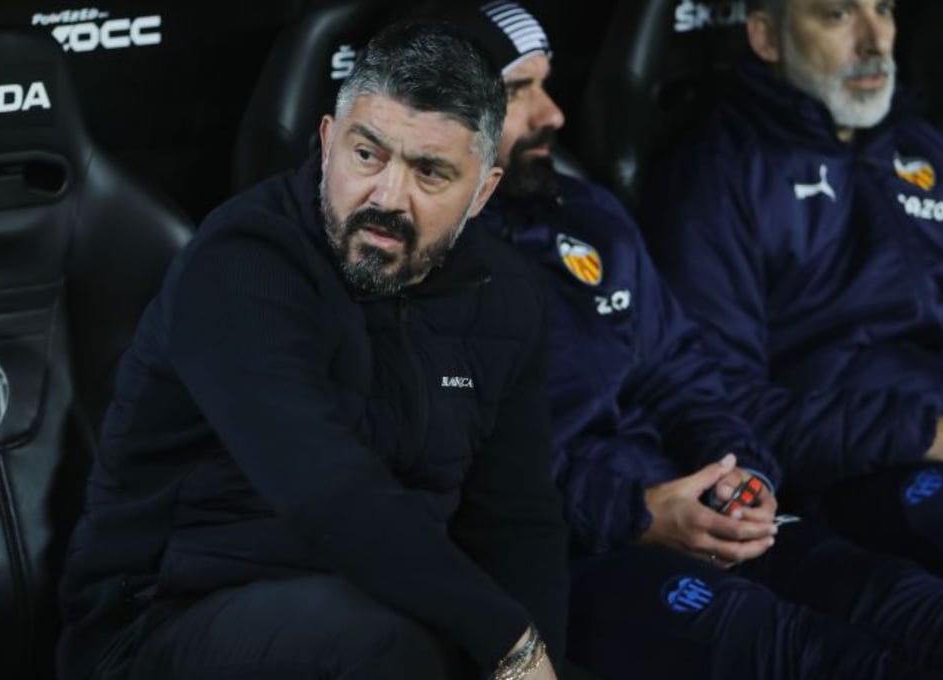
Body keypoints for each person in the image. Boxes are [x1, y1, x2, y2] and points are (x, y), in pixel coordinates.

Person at [443, 2, 943, 678]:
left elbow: (685, 377)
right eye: (519, 92)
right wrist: (636, 513)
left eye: (885, 7)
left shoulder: (587, 213)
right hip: (594, 548)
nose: (554, 114)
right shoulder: (424, 263)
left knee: (933, 616)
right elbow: (470, 467)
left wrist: (743, 475)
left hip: (712, 503)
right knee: (818, 656)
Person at [56, 22, 568, 680]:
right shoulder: (242, 263)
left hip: (389, 607)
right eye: (367, 154)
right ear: (328, 143)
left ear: (483, 192)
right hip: (165, 617)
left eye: (430, 172)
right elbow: (325, 488)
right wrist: (507, 643)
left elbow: (518, 522)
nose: (388, 197)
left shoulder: (505, 294)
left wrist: (537, 656)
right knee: (398, 651)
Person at [641, 0, 943, 609]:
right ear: (766, 37)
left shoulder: (920, 145)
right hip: (856, 477)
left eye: (885, 10)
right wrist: (920, 433)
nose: (875, 41)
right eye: (838, 15)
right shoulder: (715, 176)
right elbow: (721, 404)